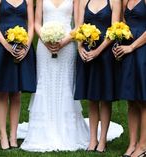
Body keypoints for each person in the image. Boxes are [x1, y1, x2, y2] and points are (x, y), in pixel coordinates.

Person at [20, 0, 90, 152]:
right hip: (44, 47)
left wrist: (65, 41)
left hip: (67, 44)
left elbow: (79, 25)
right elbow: (37, 23)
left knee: (65, 84)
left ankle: (67, 130)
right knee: (45, 83)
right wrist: (46, 40)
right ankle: (43, 129)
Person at [0, 0, 36, 150]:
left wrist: (26, 46)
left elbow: (31, 25)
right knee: (2, 92)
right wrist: (6, 45)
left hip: (21, 47)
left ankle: (13, 135)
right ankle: (3, 135)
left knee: (16, 93)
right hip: (1, 46)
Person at [75, 0, 121, 152]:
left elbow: (114, 32)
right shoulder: (83, 2)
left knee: (104, 98)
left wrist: (98, 51)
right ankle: (93, 139)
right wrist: (80, 47)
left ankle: (102, 141)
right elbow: (79, 28)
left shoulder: (114, 2)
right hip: (87, 54)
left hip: (105, 55)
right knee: (92, 98)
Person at [113, 0, 146, 156]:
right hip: (128, 51)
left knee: (143, 100)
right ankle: (132, 143)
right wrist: (118, 44)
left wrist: (132, 46)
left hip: (142, 51)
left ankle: (143, 145)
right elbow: (123, 25)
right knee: (131, 100)